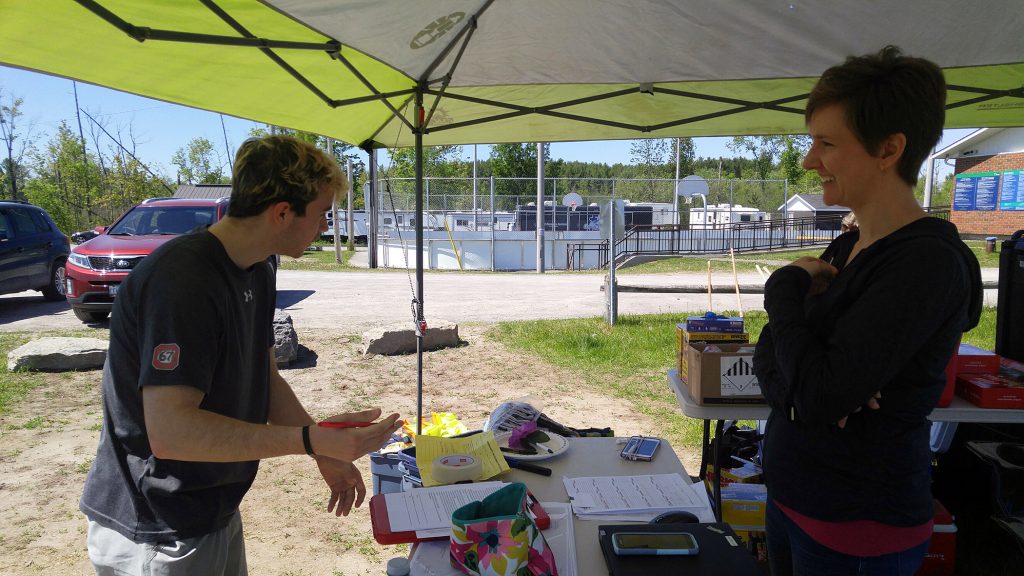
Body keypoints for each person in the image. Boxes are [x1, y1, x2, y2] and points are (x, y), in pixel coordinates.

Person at [80, 135, 403, 575]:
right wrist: (310, 440)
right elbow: (171, 432)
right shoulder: (184, 280)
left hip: (213, 511)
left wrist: (323, 450)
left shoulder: (257, 268)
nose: (326, 226)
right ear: (283, 212)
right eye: (322, 213)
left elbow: (266, 381)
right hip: (159, 526)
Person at [752, 46, 982, 575]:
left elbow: (810, 379)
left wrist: (785, 287)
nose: (810, 161)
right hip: (792, 499)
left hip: (856, 527)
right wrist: (803, 398)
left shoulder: (925, 262)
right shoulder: (844, 248)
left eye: (827, 143)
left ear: (889, 148)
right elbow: (772, 354)